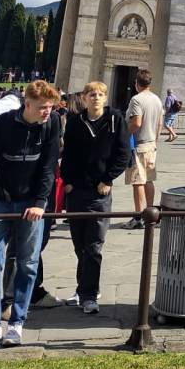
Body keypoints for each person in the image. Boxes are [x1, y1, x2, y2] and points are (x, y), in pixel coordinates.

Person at [0, 81, 61, 348]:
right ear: (27, 104)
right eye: (43, 107)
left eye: (50, 107)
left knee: (27, 262)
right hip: (2, 200)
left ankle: (17, 322)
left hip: (31, 201)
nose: (47, 112)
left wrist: (40, 202)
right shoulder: (4, 123)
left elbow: (49, 166)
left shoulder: (52, 123)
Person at [60, 80, 131, 314]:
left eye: (100, 94)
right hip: (76, 191)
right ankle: (85, 288)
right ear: (84, 98)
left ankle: (88, 295)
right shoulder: (74, 122)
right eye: (92, 94)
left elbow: (123, 154)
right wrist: (67, 182)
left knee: (93, 246)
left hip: (100, 192)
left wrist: (108, 180)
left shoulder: (115, 119)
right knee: (79, 245)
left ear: (105, 97)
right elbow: (68, 154)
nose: (96, 98)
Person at [123, 69, 163, 230]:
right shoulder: (157, 99)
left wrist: (123, 133)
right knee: (149, 179)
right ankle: (151, 212)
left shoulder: (136, 99)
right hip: (151, 144)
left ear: (136, 83)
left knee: (137, 181)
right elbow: (160, 124)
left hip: (138, 145)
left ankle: (139, 217)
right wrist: (155, 140)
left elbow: (136, 122)